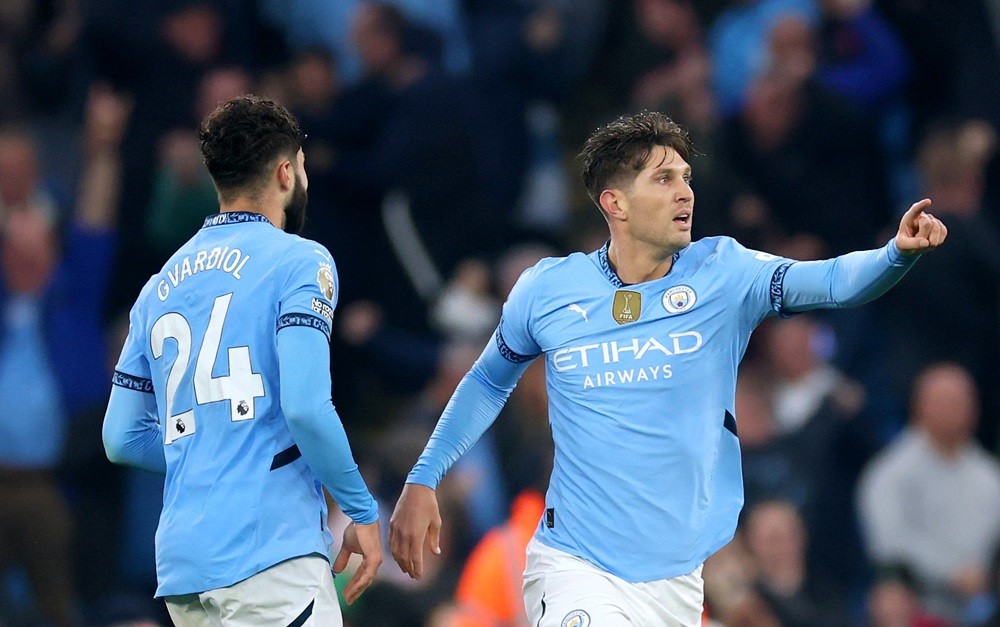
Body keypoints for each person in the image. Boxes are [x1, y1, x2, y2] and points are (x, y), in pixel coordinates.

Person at [389, 111, 947, 625]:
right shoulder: (547, 289)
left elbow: (828, 281)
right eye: (664, 180)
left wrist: (895, 254)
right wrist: (423, 477)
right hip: (575, 567)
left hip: (678, 580)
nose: (685, 193)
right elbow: (487, 380)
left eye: (686, 178)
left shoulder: (726, 273)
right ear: (615, 203)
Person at [102, 95, 382, 625]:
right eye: (301, 167)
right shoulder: (300, 259)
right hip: (268, 554)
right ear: (285, 172)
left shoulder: (158, 287)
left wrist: (212, 450)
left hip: (185, 569)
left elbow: (120, 438)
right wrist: (363, 510)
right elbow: (304, 406)